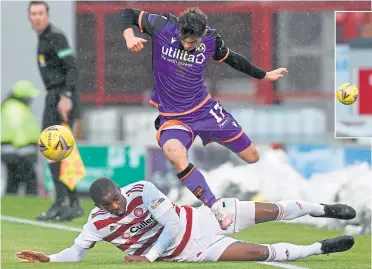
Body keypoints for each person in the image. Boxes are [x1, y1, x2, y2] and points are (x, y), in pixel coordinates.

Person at [120, 7, 288, 229]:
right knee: (173, 152)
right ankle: (215, 206)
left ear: (201, 35)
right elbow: (127, 13)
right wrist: (129, 35)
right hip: (173, 118)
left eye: (193, 42)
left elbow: (233, 59)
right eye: (185, 40)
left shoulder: (210, 38)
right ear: (179, 30)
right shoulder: (162, 26)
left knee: (252, 156)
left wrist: (264, 75)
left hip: (205, 110)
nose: (188, 45)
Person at [16, 177, 356, 263]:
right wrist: (50, 258)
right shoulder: (96, 223)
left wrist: (148, 257)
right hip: (194, 252)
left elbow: (174, 225)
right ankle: (320, 248)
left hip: (204, 218)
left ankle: (321, 208)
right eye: (110, 204)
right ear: (100, 207)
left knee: (271, 211)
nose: (119, 205)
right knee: (259, 254)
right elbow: (78, 251)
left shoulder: (142, 189)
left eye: (117, 197)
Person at [28, 0, 83, 221]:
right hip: (54, 96)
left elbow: (72, 66)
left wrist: (66, 96)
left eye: (41, 13)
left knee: (56, 150)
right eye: (33, 14)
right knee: (55, 151)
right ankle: (69, 203)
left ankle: (66, 203)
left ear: (47, 15)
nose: (37, 17)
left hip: (61, 97)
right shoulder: (42, 38)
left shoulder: (56, 36)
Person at [1, 80, 41, 195]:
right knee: (30, 180)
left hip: (13, 150)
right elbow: (18, 130)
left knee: (13, 181)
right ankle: (30, 203)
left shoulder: (13, 107)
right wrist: (26, 150)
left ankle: (11, 204)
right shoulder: (15, 109)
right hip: (20, 151)